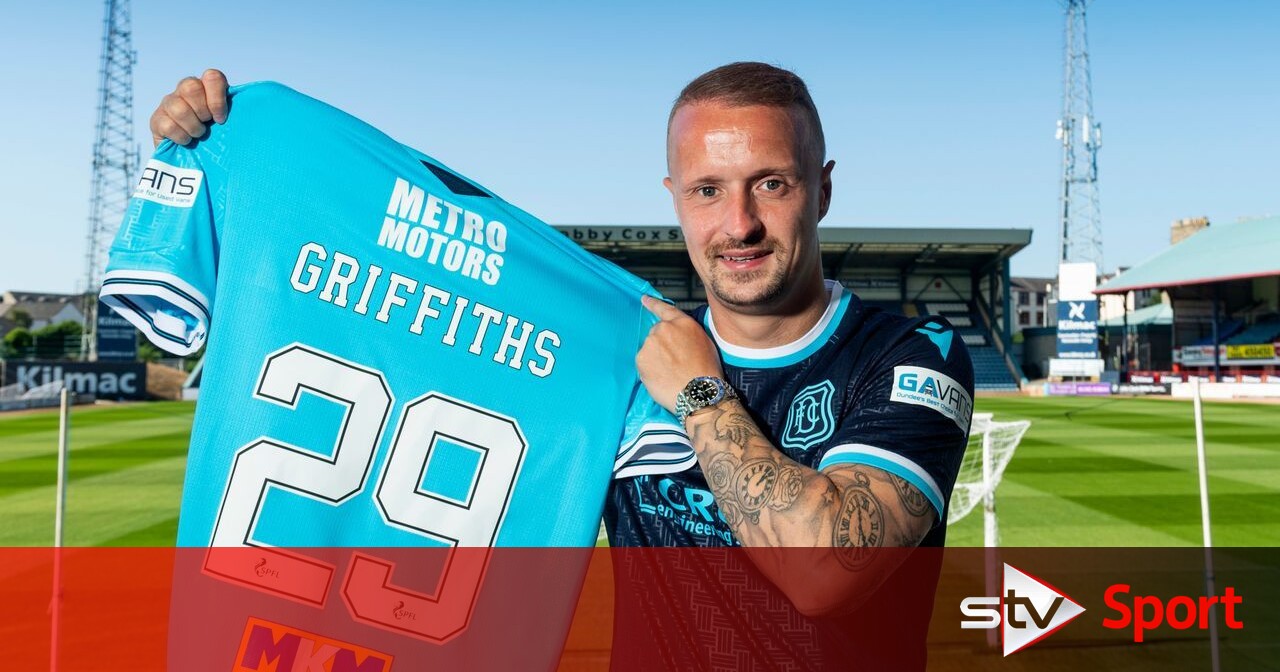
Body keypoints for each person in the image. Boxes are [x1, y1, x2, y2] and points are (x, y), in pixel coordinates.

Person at [150, 62, 973, 669]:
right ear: (673, 196)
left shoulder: (910, 353)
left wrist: (698, 393)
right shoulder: (615, 354)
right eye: (707, 190)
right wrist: (218, 151)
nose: (739, 223)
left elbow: (828, 571)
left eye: (771, 184)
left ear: (821, 190)